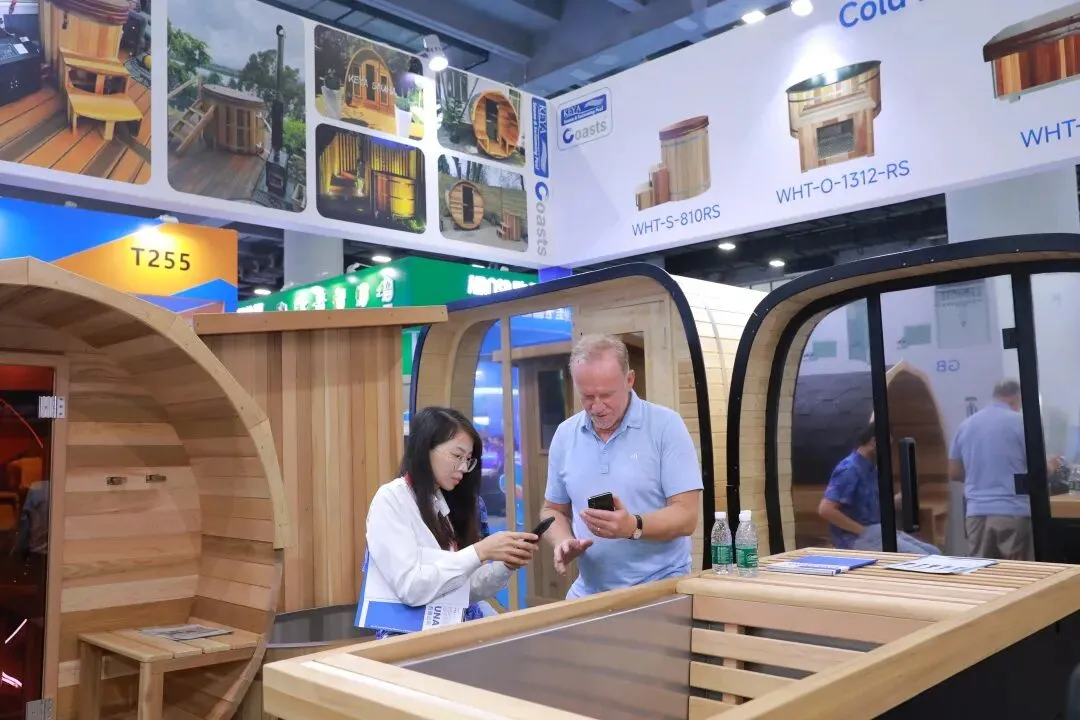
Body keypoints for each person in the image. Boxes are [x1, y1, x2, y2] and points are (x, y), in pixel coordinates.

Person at [540, 334, 703, 598]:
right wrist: (563, 540)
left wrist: (633, 526)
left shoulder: (666, 426)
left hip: (660, 588)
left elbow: (686, 516)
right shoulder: (565, 434)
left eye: (606, 395)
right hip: (589, 591)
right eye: (587, 396)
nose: (597, 406)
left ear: (629, 380)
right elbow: (552, 510)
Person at [364, 407, 538, 638]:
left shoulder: (441, 503)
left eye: (468, 460)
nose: (464, 468)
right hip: (406, 639)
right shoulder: (391, 499)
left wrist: (505, 565)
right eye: (457, 456)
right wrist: (479, 551)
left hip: (447, 633)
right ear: (425, 448)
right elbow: (411, 588)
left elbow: (463, 591)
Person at [949, 379, 1060, 560]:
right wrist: (1053, 466)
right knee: (1017, 572)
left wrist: (981, 476)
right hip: (1013, 512)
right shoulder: (1021, 423)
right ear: (1016, 397)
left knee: (982, 571)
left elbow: (954, 472)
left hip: (976, 513)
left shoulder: (966, 425)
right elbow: (1038, 470)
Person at [818, 423, 938, 554]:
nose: (888, 452)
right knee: (922, 557)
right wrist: (862, 531)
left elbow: (877, 506)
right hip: (855, 537)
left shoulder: (871, 469)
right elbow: (826, 509)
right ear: (874, 442)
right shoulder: (849, 469)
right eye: (887, 446)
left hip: (879, 530)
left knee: (934, 552)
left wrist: (909, 491)